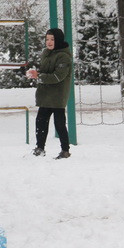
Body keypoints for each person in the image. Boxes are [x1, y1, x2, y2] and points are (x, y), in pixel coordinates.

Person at [27, 28, 73, 159]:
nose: (49, 42)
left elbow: (58, 76)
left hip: (57, 96)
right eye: (47, 39)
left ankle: (65, 150)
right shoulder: (46, 53)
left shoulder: (64, 56)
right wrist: (34, 73)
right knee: (40, 122)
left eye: (52, 39)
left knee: (59, 124)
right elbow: (44, 71)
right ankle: (40, 148)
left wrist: (39, 76)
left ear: (58, 40)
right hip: (45, 95)